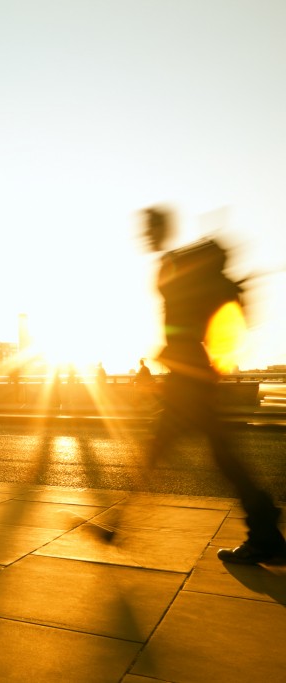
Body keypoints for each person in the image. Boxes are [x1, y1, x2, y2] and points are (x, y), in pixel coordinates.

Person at [141, 206, 285, 564]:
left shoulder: (173, 267)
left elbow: (183, 324)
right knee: (222, 457)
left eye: (148, 228)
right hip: (197, 377)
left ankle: (265, 528)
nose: (144, 235)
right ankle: (265, 526)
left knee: (161, 449)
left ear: (160, 229)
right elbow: (216, 323)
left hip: (187, 380)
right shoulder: (192, 270)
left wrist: (171, 350)